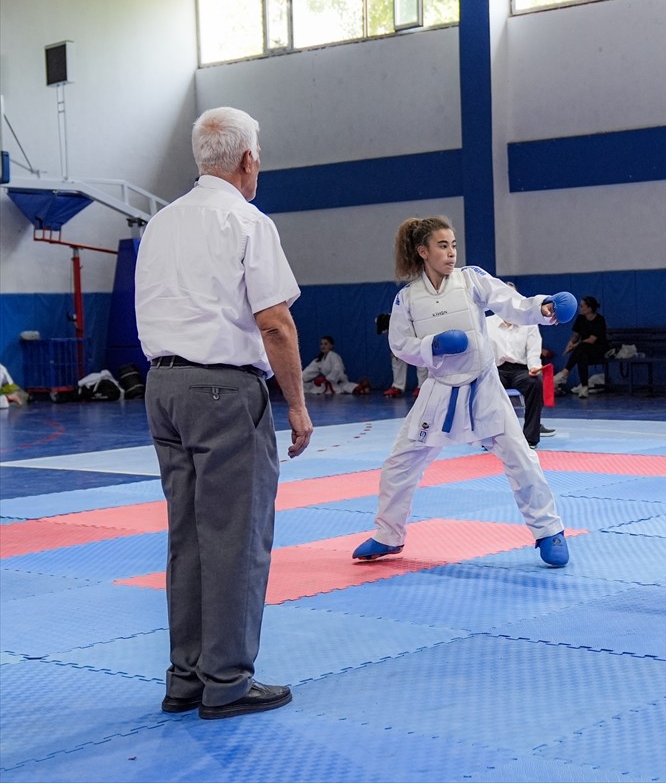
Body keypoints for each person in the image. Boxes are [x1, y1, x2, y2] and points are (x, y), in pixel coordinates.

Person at [135, 107, 313, 719]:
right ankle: (229, 680)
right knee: (234, 539)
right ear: (247, 160)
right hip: (223, 392)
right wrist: (296, 405)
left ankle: (186, 678)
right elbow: (275, 323)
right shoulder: (246, 220)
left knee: (187, 538)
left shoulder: (160, 224)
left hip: (163, 388)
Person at [351, 216, 577, 567]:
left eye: (454, 245)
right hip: (438, 389)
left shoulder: (472, 280)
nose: (451, 253)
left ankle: (549, 531)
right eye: (443, 246)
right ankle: (387, 535)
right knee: (400, 463)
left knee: (521, 458)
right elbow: (400, 344)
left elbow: (511, 304)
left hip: (483, 385)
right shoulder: (407, 298)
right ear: (423, 251)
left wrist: (544, 308)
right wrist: (433, 346)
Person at [487, 282, 552, 448]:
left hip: (521, 370)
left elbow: (533, 350)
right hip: (496, 370)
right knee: (485, 385)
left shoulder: (529, 322)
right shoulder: (486, 323)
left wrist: (534, 368)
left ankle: (530, 437)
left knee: (535, 383)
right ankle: (490, 435)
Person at [553, 296, 608, 398]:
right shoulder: (580, 318)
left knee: (582, 347)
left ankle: (565, 373)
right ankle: (584, 388)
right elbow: (576, 335)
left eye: (582, 306)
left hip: (598, 349)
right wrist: (571, 342)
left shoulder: (600, 320)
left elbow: (592, 339)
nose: (580, 308)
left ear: (590, 308)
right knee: (582, 356)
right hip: (584, 350)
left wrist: (575, 346)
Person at [302, 335, 369, 395]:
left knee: (346, 387)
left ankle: (361, 388)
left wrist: (327, 379)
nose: (323, 346)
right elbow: (309, 371)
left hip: (338, 381)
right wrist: (299, 378)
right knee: (307, 386)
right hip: (327, 382)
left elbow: (338, 369)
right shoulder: (319, 360)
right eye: (321, 344)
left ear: (331, 346)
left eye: (326, 344)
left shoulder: (334, 356)